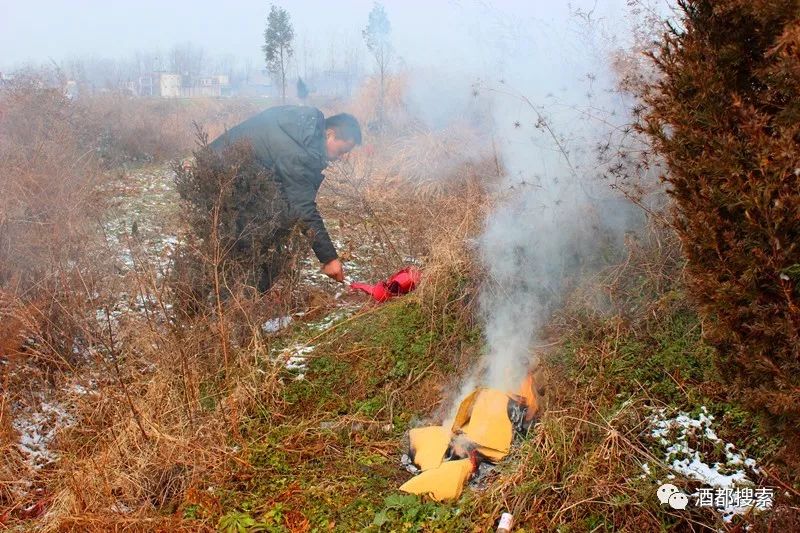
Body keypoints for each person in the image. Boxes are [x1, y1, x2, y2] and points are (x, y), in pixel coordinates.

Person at [208, 106, 361, 293]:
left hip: (219, 170)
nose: (339, 158)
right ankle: (233, 303)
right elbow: (302, 206)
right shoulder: (298, 150)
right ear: (330, 134)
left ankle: (235, 296)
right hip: (221, 181)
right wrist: (329, 259)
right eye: (341, 150)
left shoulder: (301, 125)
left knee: (266, 234)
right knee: (249, 247)